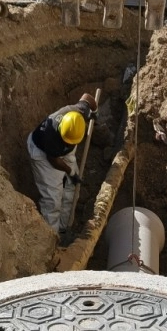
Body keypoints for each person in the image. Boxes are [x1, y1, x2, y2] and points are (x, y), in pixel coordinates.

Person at [27, 94, 98, 235]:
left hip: (63, 152)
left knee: (72, 188)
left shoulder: (78, 114)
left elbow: (87, 98)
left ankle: (65, 227)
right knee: (52, 200)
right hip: (42, 155)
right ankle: (53, 237)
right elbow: (54, 160)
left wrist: (95, 113)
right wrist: (71, 173)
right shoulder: (50, 137)